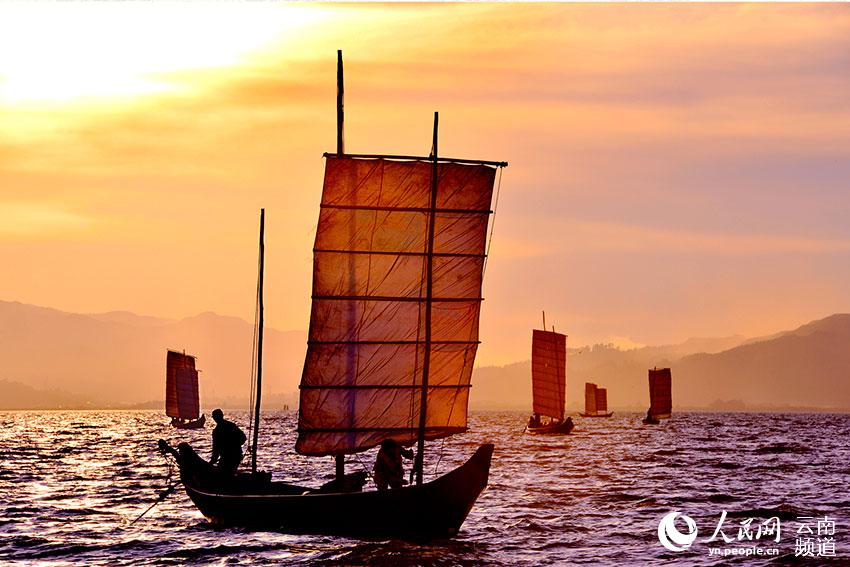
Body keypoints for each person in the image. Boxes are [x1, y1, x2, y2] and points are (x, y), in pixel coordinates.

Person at [209, 408, 246, 476]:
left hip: (230, 457)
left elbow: (216, 449)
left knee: (224, 474)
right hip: (235, 455)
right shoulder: (231, 425)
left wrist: (211, 462)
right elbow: (243, 438)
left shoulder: (217, 431)